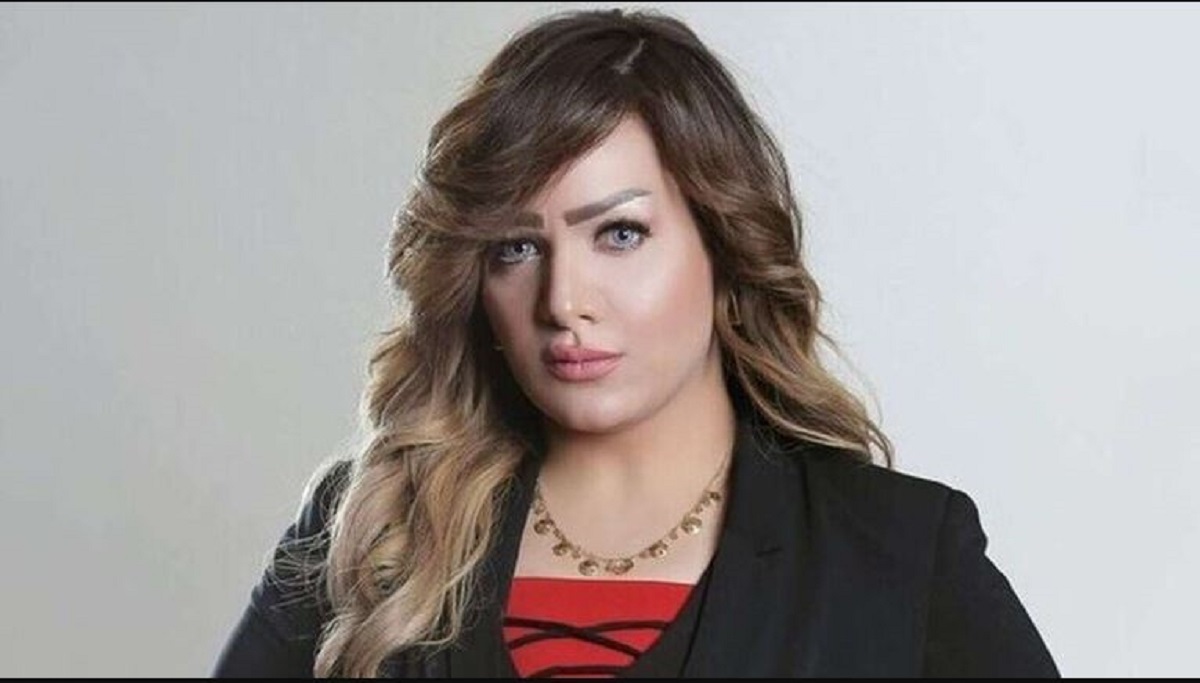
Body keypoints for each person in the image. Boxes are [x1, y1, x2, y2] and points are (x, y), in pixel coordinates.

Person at [212, 7, 1059, 678]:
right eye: (517, 247)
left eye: (619, 234)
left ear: (724, 245)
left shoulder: (897, 553)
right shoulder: (372, 528)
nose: (563, 301)